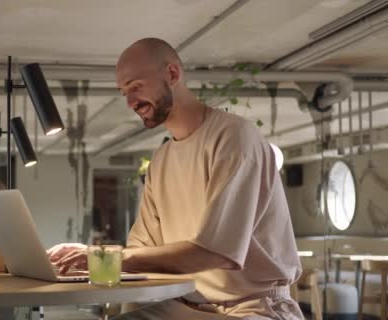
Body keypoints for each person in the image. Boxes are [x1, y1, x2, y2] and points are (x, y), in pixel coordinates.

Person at [47, 38, 303, 319]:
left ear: (172, 74)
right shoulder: (161, 160)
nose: (130, 101)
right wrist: (91, 259)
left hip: (252, 309)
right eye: (124, 93)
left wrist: (103, 257)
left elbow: (215, 253)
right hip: (188, 307)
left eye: (136, 86)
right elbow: (141, 250)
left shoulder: (234, 137)